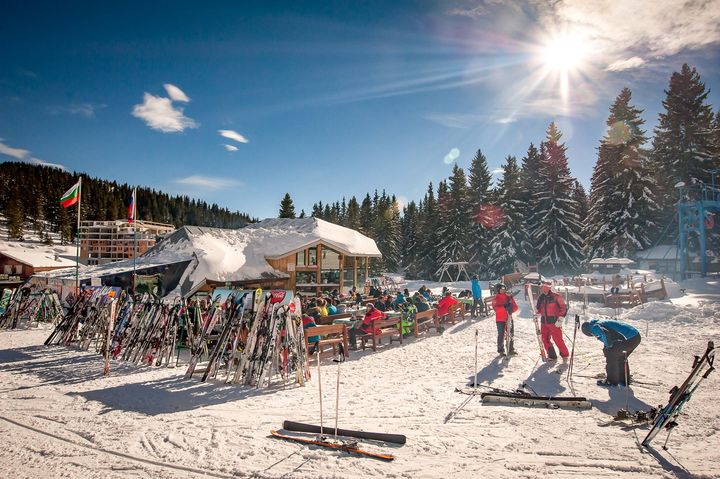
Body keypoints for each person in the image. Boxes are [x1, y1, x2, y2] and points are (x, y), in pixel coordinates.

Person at [582, 319, 641, 386]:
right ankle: (624, 379)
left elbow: (605, 334)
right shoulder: (600, 323)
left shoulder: (594, 327)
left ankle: (611, 381)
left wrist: (608, 347)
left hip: (629, 339)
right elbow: (610, 336)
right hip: (636, 336)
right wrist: (607, 346)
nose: (594, 335)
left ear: (588, 331)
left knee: (611, 356)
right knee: (620, 357)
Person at [536, 281, 569, 361]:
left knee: (558, 339)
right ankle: (552, 355)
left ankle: (565, 355)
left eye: (546, 287)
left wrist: (560, 318)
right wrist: (536, 313)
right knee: (545, 339)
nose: (544, 289)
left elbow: (563, 307)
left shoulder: (556, 296)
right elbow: (539, 309)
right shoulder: (541, 298)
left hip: (554, 322)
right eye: (543, 287)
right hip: (544, 322)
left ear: (549, 287)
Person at [492, 283, 518, 356]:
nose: (503, 290)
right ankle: (501, 350)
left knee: (511, 333)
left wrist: (511, 310)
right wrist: (504, 307)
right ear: (498, 290)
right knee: (501, 334)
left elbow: (516, 307)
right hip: (500, 319)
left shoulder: (509, 297)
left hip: (509, 318)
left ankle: (511, 349)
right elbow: (496, 309)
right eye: (501, 289)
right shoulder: (495, 298)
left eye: (504, 289)